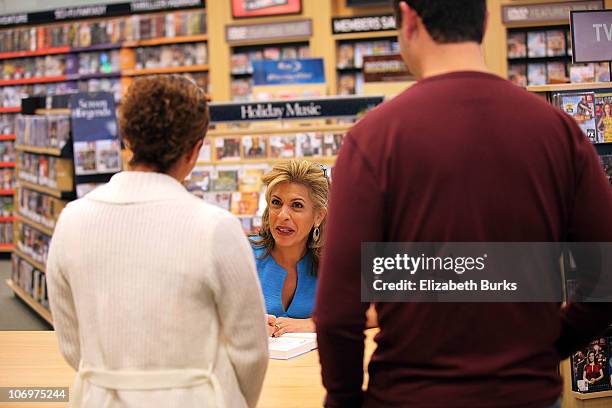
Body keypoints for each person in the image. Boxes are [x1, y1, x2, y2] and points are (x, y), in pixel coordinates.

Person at [314, 1, 612, 407]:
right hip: (527, 393)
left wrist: (343, 399)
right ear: (486, 21)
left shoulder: (373, 139)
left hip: (409, 394)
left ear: (409, 18)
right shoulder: (557, 130)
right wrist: (550, 343)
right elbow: (606, 276)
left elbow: (337, 312)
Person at [47, 76, 269, 408]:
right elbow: (251, 349)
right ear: (194, 150)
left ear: (127, 140)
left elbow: (72, 344)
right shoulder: (216, 227)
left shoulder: (72, 220)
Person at [250, 159, 328, 337]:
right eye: (276, 203)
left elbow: (377, 311)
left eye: (297, 205)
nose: (283, 215)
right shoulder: (241, 254)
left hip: (311, 365)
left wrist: (315, 323)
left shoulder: (332, 261)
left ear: (318, 216)